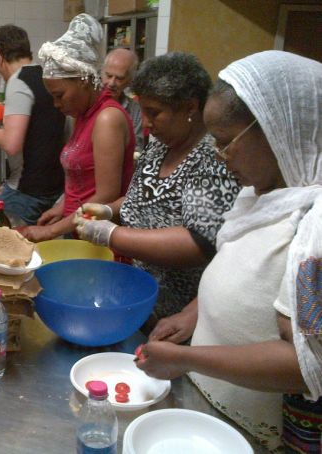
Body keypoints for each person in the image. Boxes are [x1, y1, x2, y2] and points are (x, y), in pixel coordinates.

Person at [136, 51, 322, 454]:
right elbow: (239, 272)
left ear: (278, 129)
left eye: (225, 142)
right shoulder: (263, 196)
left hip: (259, 435)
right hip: (213, 408)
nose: (220, 156)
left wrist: (189, 360)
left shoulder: (315, 231)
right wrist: (192, 314)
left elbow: (304, 365)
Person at [75, 52, 241, 321]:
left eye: (154, 113)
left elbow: (198, 243)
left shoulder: (212, 157)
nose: (147, 123)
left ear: (190, 107)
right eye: (143, 110)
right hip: (139, 297)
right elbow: (141, 199)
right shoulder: (161, 143)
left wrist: (112, 235)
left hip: (180, 313)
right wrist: (108, 209)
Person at [19, 13, 135, 241]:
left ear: (83, 81)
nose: (56, 104)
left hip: (98, 234)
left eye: (59, 95)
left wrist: (51, 230)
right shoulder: (81, 114)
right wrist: (61, 208)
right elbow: (81, 184)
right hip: (77, 226)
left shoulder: (107, 119)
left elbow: (105, 196)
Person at [0, 24, 66, 225]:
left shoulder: (18, 81)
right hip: (54, 189)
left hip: (26, 192)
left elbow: (11, 144)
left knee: (8, 250)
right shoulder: (47, 76)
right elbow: (41, 128)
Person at [101, 48, 144, 152]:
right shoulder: (87, 102)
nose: (111, 83)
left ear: (130, 80)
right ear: (102, 72)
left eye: (119, 78)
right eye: (109, 76)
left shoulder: (135, 110)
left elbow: (136, 150)